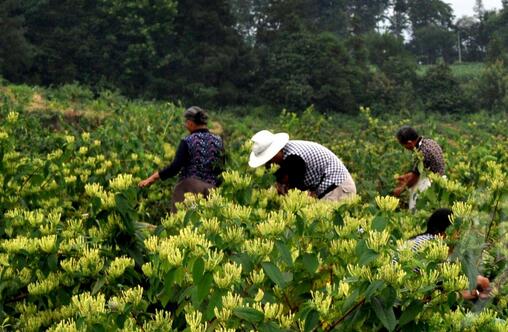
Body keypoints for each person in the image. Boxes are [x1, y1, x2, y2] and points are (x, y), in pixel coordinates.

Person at [138, 106, 224, 213]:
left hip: (189, 189)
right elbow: (221, 168)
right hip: (212, 191)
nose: (185, 125)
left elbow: (175, 167)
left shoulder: (188, 141)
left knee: (182, 225)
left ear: (191, 123)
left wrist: (152, 178)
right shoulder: (218, 141)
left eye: (186, 122)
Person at [406, 208, 491, 301]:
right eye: (458, 230)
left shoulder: (419, 239)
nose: (461, 235)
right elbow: (432, 292)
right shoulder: (434, 248)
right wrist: (460, 295)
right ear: (446, 231)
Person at [248, 130, 356, 201]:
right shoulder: (282, 158)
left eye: (269, 158)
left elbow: (296, 193)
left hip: (337, 188)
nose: (269, 163)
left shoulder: (294, 158)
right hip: (326, 189)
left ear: (277, 151)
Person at [393, 126, 445, 210]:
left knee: (418, 209)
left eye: (404, 146)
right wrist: (405, 176)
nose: (406, 149)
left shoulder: (422, 152)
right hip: (440, 179)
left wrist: (401, 189)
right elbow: (421, 169)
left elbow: (415, 177)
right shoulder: (429, 142)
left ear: (410, 143)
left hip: (431, 184)